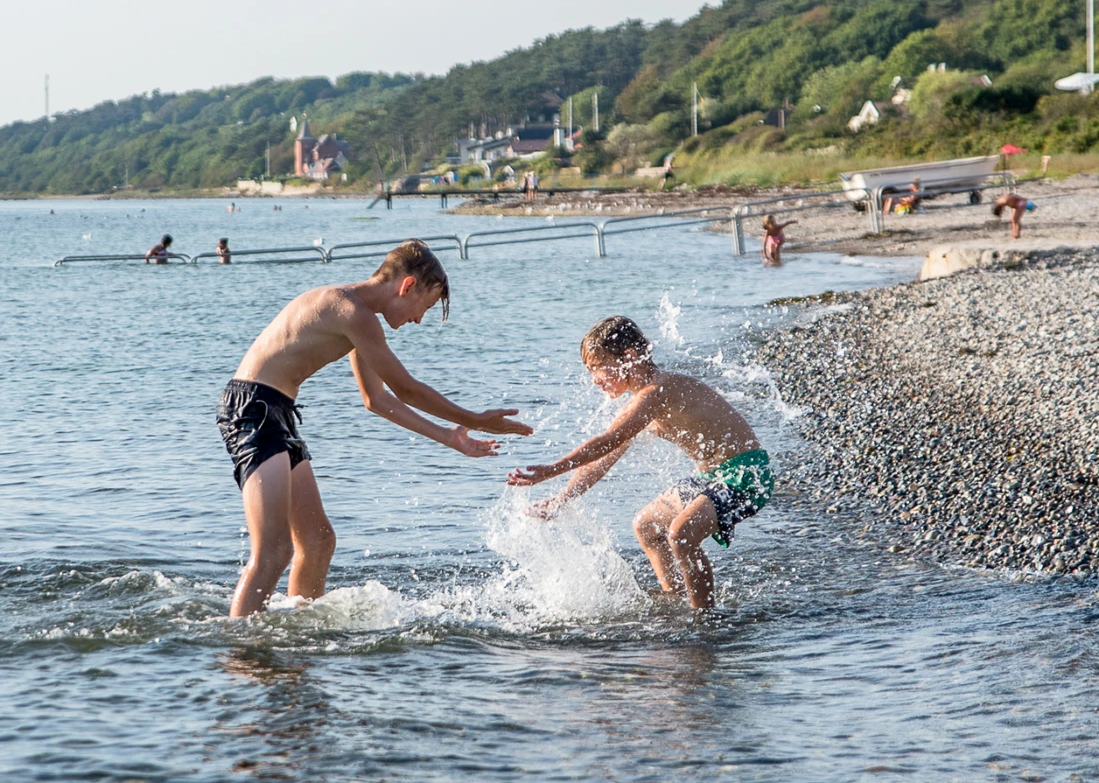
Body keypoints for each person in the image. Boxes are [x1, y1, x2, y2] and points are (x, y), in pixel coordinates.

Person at [216, 239, 532, 617]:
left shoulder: (360, 319)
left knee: (318, 541)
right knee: (274, 550)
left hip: (278, 413)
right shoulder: (351, 311)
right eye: (425, 307)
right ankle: (240, 650)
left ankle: (296, 630)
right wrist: (475, 418)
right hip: (252, 409)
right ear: (408, 285)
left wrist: (450, 437)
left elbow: (377, 400)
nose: (419, 319)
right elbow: (407, 388)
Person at [509, 317, 772, 610]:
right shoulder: (640, 403)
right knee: (646, 526)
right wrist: (562, 498)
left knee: (681, 535)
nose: (594, 379)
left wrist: (552, 469)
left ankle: (705, 619)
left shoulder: (657, 391)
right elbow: (603, 459)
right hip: (713, 478)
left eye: (596, 367)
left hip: (746, 473)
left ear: (629, 357)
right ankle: (674, 602)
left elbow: (606, 440)